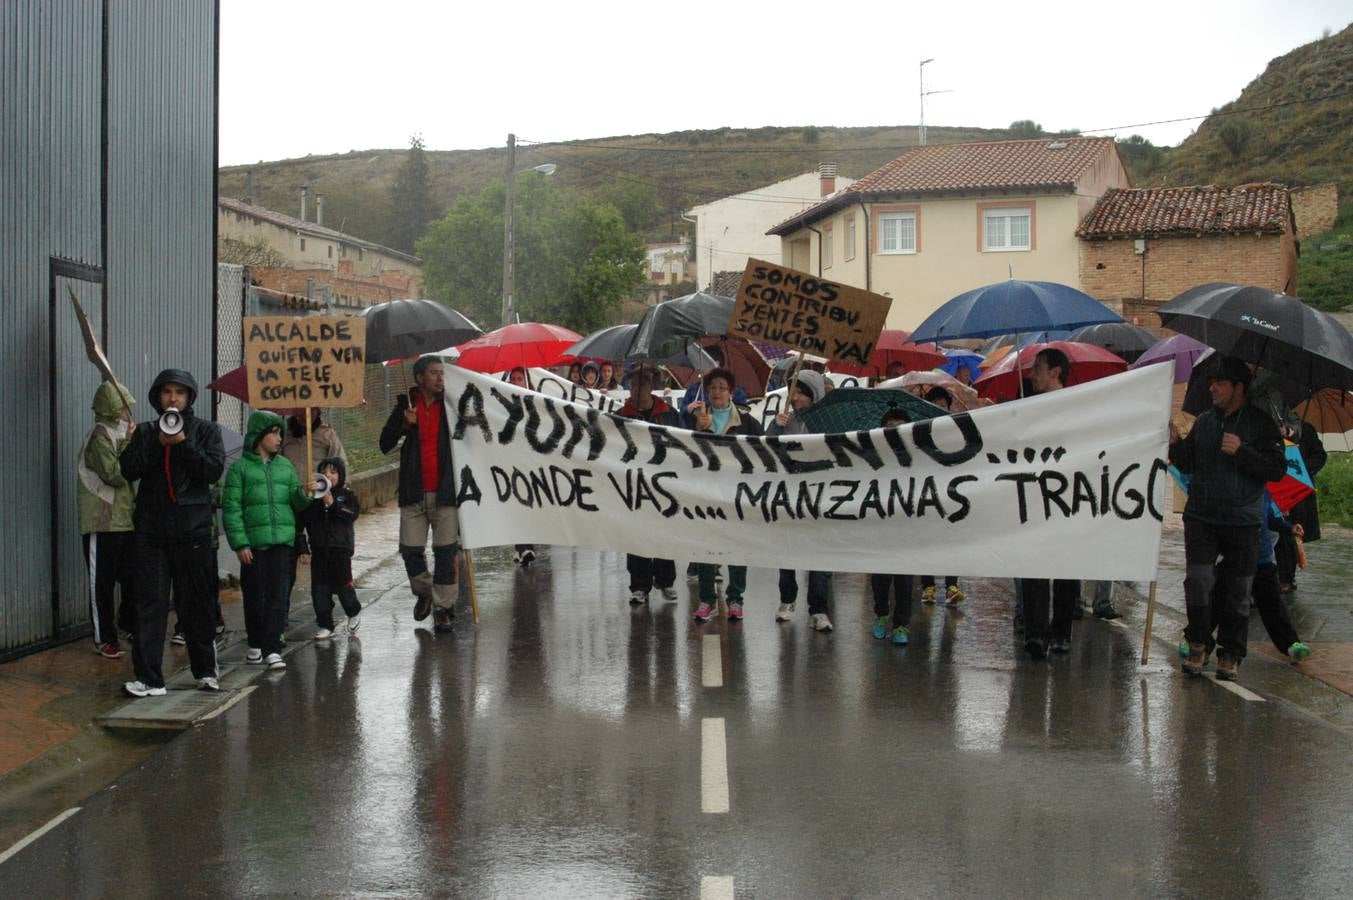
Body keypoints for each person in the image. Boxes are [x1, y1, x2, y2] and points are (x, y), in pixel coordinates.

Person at [1169, 355, 1286, 681]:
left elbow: (1277, 470)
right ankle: (1198, 643)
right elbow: (1189, 463)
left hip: (1243, 520)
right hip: (1202, 516)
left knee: (1237, 591)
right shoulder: (1206, 421)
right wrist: (1176, 445)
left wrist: (1243, 451)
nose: (1212, 387)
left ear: (1238, 387)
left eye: (1219, 382)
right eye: (1211, 382)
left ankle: (1231, 653)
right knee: (1198, 583)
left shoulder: (1261, 425)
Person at [119, 369, 226, 696]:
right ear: (158, 397)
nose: (173, 398)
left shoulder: (206, 431)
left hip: (192, 533)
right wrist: (155, 442)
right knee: (149, 604)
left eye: (180, 392)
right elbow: (128, 469)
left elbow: (212, 470)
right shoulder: (146, 432)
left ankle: (205, 670)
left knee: (195, 604)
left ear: (189, 397)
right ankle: (149, 678)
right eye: (167, 392)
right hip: (152, 533)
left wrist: (182, 445)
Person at [223, 411, 316, 671]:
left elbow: (296, 502)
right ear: (258, 435)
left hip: (282, 545)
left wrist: (305, 493)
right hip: (254, 546)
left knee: (278, 596)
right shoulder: (240, 470)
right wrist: (240, 543)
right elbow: (232, 509)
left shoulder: (285, 466)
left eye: (279, 433)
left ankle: (272, 648)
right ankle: (255, 642)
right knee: (254, 596)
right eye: (273, 433)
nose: (278, 438)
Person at [380, 356, 461, 634]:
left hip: (446, 493)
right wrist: (403, 425)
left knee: (445, 552)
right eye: (434, 374)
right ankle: (426, 591)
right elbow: (384, 444)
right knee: (411, 551)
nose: (440, 379)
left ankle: (443, 610)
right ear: (419, 378)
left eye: (442, 373)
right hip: (413, 493)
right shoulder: (405, 407)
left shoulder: (452, 405)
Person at [689, 368, 762, 623]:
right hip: (705, 495)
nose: (717, 392)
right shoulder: (696, 418)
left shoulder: (747, 422)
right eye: (713, 388)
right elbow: (683, 450)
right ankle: (707, 599)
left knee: (737, 546)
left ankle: (735, 598)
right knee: (706, 547)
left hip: (736, 496)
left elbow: (761, 451)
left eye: (722, 387)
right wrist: (698, 429)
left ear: (731, 392)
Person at [1021, 348, 1080, 659]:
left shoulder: (1077, 407)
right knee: (1033, 565)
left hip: (1069, 498)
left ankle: (1060, 632)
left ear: (1055, 372)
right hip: (1032, 497)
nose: (1032, 375)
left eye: (1037, 369)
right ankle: (1035, 634)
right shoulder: (1027, 408)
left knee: (1066, 567)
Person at [768, 372, 834, 631]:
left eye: (800, 393)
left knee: (818, 554)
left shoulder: (828, 423)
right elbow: (765, 449)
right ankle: (787, 600)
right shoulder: (786, 420)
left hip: (820, 496)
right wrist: (776, 427)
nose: (794, 398)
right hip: (790, 495)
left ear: (813, 394)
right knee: (788, 548)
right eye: (791, 392)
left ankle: (818, 610)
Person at [78, 381, 137, 659]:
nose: (128, 412)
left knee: (129, 576)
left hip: (123, 519)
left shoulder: (117, 433)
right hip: (102, 522)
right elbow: (114, 473)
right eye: (124, 406)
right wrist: (130, 445)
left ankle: (127, 623)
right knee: (101, 581)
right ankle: (104, 638)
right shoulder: (101, 436)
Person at [619, 365, 682, 605]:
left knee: (665, 532)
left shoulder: (669, 413)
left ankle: (665, 581)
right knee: (636, 535)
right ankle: (639, 585)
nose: (637, 389)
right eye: (634, 384)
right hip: (633, 485)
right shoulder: (620, 415)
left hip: (664, 485)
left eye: (643, 384)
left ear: (653, 386)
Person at [281, 409, 348, 602]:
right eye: (299, 410)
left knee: (322, 552)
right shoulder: (285, 436)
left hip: (319, 503)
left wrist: (336, 496)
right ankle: (281, 609)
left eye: (311, 409)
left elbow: (341, 465)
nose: (304, 414)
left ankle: (327, 599)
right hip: (292, 501)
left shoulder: (327, 435)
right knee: (288, 556)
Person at [296, 457, 362, 639]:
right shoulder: (312, 500)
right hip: (318, 550)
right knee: (319, 590)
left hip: (340, 550)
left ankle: (353, 611)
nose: (328, 476)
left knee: (343, 586)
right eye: (324, 472)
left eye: (333, 472)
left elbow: (352, 514)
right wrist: (303, 549)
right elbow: (299, 525)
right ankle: (325, 624)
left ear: (340, 475)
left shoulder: (347, 496)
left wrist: (333, 504)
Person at [917, 387, 965, 607]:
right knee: (927, 541)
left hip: (950, 494)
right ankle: (928, 586)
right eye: (934, 404)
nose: (938, 408)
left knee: (951, 540)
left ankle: (951, 586)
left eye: (942, 404)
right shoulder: (920, 431)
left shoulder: (958, 430)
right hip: (927, 494)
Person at [870, 409, 914, 645]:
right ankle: (881, 614)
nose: (895, 429)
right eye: (890, 424)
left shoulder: (918, 455)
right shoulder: (874, 454)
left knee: (904, 579)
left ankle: (901, 624)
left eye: (900, 424)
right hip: (880, 527)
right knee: (879, 578)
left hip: (906, 528)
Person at [1276, 419, 1325, 592]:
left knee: (1289, 534)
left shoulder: (1306, 430)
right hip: (1273, 488)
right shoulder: (1267, 427)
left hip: (1296, 491)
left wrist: (1302, 469)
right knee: (1275, 534)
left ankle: (1286, 578)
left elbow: (1320, 455)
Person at [507, 367, 537, 567]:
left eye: (520, 379)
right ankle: (522, 547)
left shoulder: (536, 403)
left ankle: (528, 546)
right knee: (516, 504)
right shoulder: (504, 403)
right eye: (514, 379)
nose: (517, 382)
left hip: (532, 461)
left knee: (531, 504)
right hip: (511, 460)